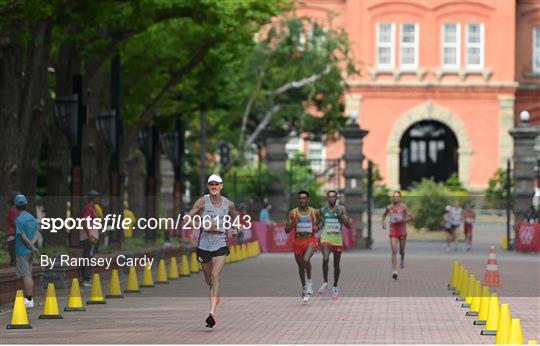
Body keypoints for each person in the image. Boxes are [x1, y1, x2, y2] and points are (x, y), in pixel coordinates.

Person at [182, 174, 240, 328]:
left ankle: (212, 313)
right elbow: (187, 218)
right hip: (204, 245)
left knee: (215, 276)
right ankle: (215, 294)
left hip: (220, 241)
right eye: (211, 184)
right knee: (209, 280)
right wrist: (200, 223)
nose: (214, 187)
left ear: (221, 186)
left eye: (217, 184)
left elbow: (235, 217)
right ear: (208, 186)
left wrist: (235, 228)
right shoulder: (202, 201)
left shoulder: (228, 204)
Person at [284, 190, 322, 302]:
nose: (302, 200)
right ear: (298, 200)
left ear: (308, 200)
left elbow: (321, 221)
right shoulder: (293, 213)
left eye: (304, 198)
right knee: (301, 267)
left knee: (306, 259)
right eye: (300, 198)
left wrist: (317, 227)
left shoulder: (314, 212)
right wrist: (293, 223)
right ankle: (304, 288)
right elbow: (286, 230)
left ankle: (309, 282)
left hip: (311, 240)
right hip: (298, 242)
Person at [317, 190, 350, 300]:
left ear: (336, 198)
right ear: (327, 198)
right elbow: (320, 222)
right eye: (329, 197)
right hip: (326, 237)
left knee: (336, 265)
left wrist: (340, 214)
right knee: (325, 258)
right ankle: (325, 282)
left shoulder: (342, 209)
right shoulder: (322, 210)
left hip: (337, 239)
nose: (331, 198)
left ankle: (335, 286)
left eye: (333, 197)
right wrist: (317, 227)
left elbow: (348, 225)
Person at [14, 194, 40, 308]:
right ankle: (29, 298)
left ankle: (29, 299)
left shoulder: (19, 220)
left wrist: (31, 247)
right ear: (26, 205)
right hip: (29, 252)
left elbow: (23, 237)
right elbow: (37, 234)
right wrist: (33, 245)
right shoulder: (32, 218)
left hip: (22, 251)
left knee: (26, 275)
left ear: (16, 206)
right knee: (28, 274)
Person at [381, 191, 412, 280]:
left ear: (400, 198)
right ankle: (395, 271)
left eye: (397, 196)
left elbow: (411, 217)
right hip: (393, 231)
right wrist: (383, 222)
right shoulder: (389, 207)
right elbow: (384, 215)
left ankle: (402, 258)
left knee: (401, 251)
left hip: (402, 231)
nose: (396, 198)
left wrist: (403, 220)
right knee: (394, 250)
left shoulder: (403, 207)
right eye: (394, 196)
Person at [80, 190, 100, 287]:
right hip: (88, 237)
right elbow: (84, 222)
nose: (98, 199)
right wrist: (90, 236)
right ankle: (86, 279)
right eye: (97, 197)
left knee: (89, 257)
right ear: (94, 198)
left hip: (90, 236)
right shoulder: (89, 208)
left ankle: (87, 278)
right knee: (87, 257)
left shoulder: (92, 208)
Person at [6, 191, 21, 267]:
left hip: (16, 237)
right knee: (14, 261)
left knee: (17, 260)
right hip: (13, 237)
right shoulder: (13, 210)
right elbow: (16, 224)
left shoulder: (17, 210)